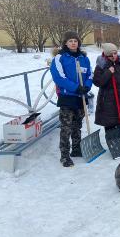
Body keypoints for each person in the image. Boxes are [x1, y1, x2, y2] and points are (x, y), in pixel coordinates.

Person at [50, 31, 93, 167]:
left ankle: (76, 148)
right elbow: (58, 77)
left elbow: (90, 75)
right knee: (66, 127)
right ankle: (64, 155)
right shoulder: (60, 58)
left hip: (80, 97)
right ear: (66, 43)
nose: (73, 43)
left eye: (75, 41)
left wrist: (86, 86)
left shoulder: (83, 58)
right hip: (67, 97)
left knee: (77, 126)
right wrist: (75, 87)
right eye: (70, 41)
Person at [93, 43, 120, 131]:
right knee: (110, 122)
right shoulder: (101, 66)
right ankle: (112, 139)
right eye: (111, 55)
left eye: (115, 53)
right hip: (108, 99)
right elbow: (98, 82)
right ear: (106, 55)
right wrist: (108, 72)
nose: (114, 56)